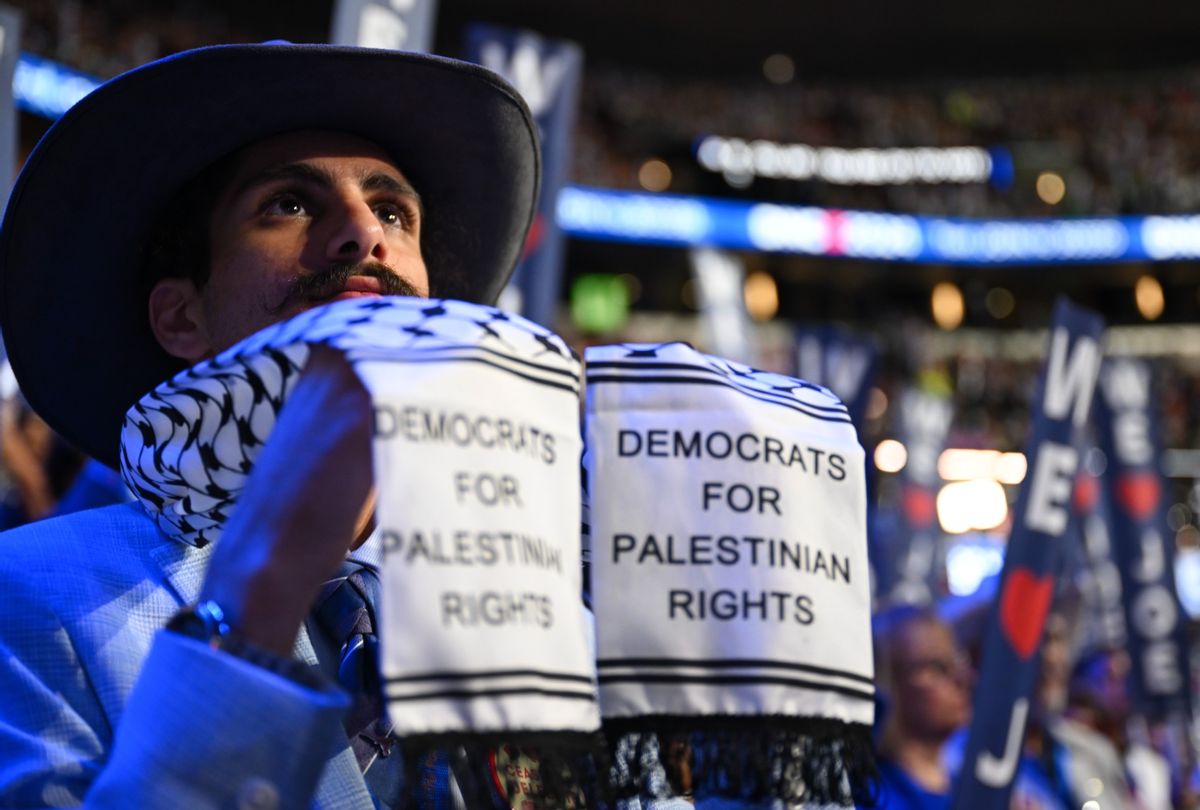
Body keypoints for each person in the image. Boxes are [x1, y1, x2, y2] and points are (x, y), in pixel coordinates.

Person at [0, 42, 539, 808]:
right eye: (288, 204)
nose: (363, 234)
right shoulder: (25, 597)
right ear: (182, 315)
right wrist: (260, 605)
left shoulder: (546, 615)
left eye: (393, 211)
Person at [866, 606, 972, 810]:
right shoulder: (869, 798)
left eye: (958, 662)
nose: (963, 679)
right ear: (886, 682)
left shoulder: (973, 789)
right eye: (936, 667)